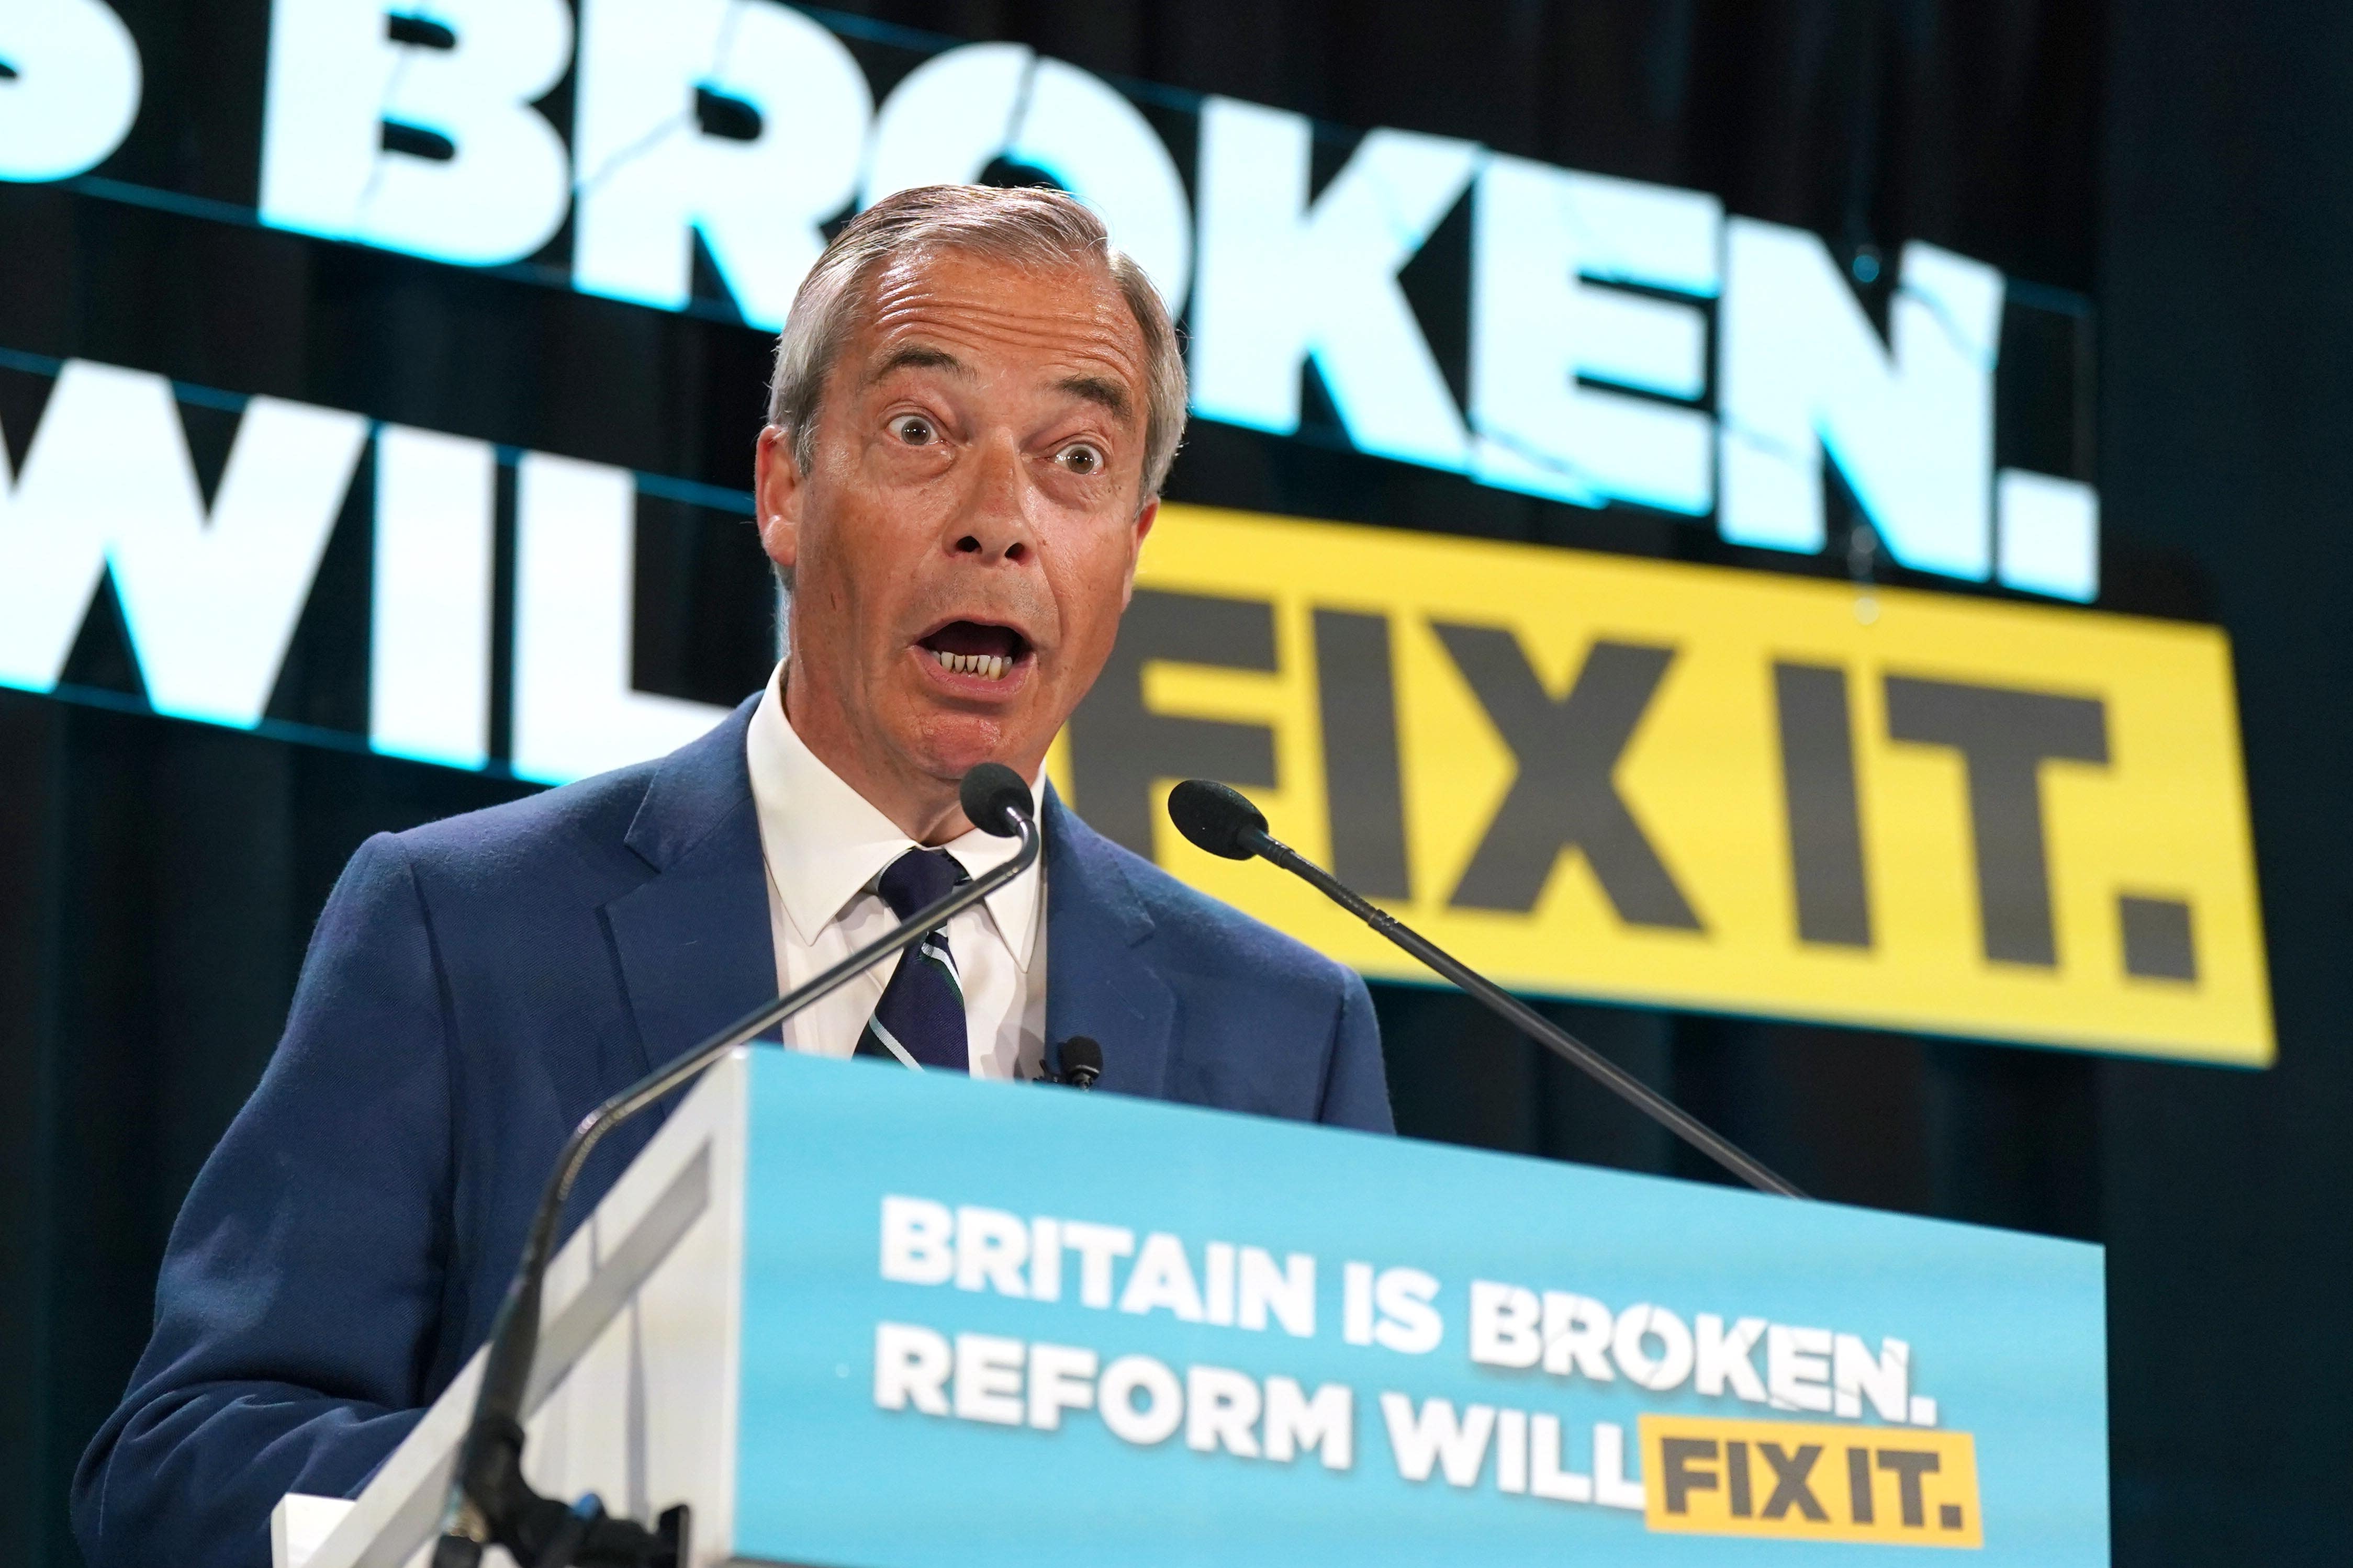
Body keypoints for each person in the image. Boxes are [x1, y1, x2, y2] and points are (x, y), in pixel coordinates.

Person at [72, 185, 1392, 1566]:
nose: (999, 519)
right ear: (782, 489)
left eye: (1075, 460)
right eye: (922, 433)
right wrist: (595, 1516)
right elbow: (185, 1468)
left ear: (1129, 547)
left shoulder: (1285, 1036)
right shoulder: (465, 930)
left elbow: (1360, 1527)